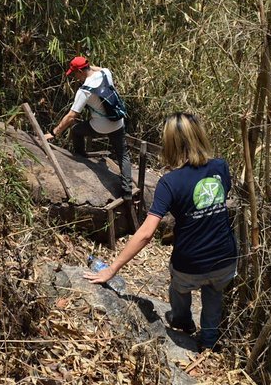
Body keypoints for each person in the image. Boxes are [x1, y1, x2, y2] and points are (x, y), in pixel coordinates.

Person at [83, 112, 238, 351]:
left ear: (170, 143)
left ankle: (182, 321)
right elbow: (213, 207)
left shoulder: (170, 182)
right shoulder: (220, 167)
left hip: (190, 264)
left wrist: (112, 269)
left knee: (179, 286)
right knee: (214, 294)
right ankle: (208, 342)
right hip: (225, 259)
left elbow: (146, 233)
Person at [45, 56, 132, 200]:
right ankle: (127, 191)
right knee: (123, 154)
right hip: (117, 122)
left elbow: (71, 116)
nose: (74, 77)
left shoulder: (84, 90)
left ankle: (81, 157)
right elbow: (98, 69)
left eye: (75, 73)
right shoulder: (106, 73)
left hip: (100, 126)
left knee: (76, 130)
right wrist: (89, 67)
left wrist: (54, 133)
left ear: (80, 71)